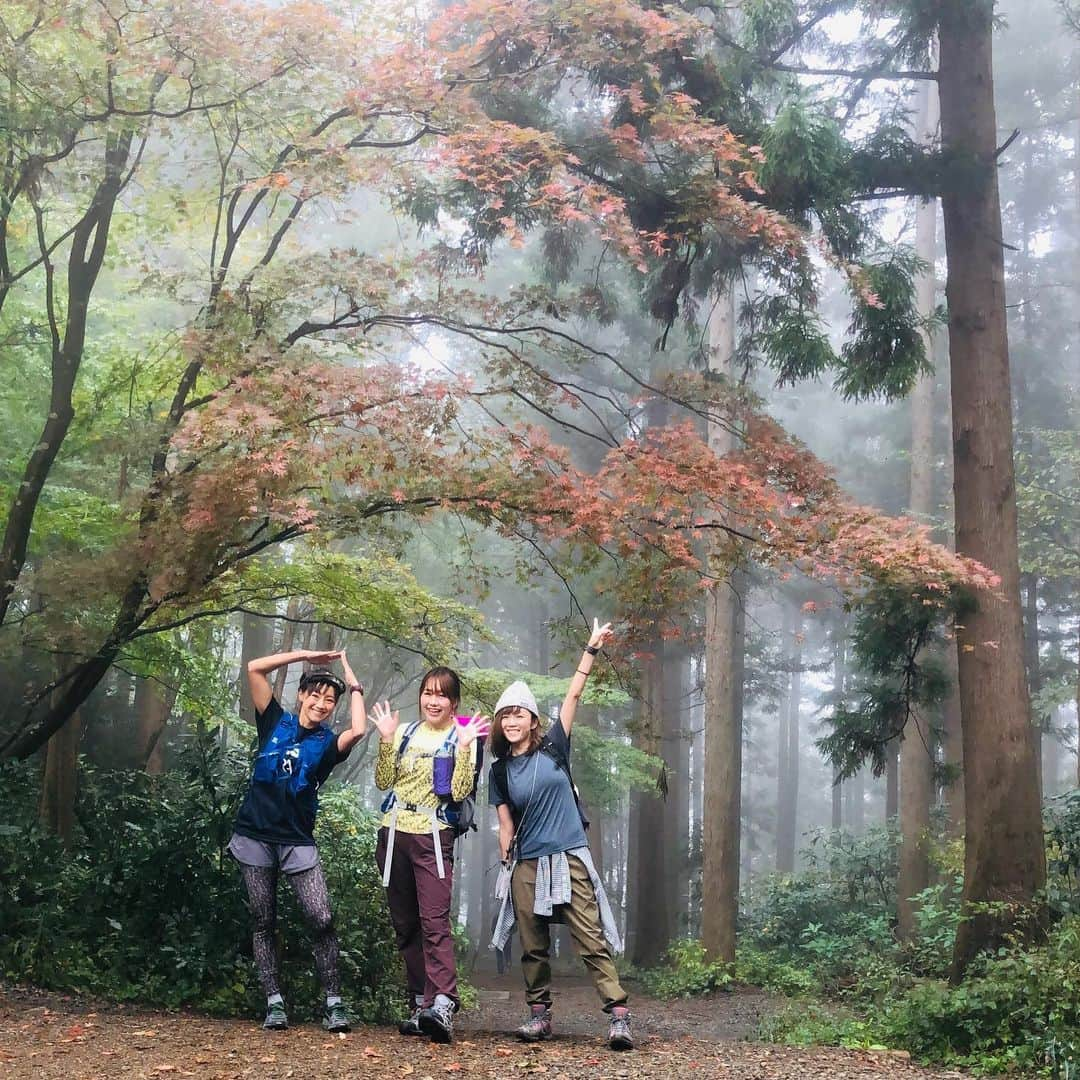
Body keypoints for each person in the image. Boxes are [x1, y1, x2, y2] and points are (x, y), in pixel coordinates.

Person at [489, 619, 633, 1051]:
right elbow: (505, 823)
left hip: (568, 855)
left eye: (519, 714)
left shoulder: (554, 746)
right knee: (532, 943)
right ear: (499, 724)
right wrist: (505, 860)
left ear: (533, 720)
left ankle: (619, 1016)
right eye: (505, 715)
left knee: (589, 938)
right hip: (527, 861)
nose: (512, 721)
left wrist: (590, 650)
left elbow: (573, 695)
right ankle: (539, 1016)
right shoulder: (498, 771)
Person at [228, 647, 367, 1033]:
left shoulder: (327, 744)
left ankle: (334, 1004)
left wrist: (352, 683)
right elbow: (254, 666)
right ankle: (274, 1003)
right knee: (263, 920)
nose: (322, 704)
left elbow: (359, 730)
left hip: (297, 841)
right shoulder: (274, 721)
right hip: (254, 835)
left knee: (321, 918)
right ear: (302, 695)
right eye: (316, 695)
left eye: (329, 699)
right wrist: (305, 655)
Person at [372, 668, 488, 1044]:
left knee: (434, 921)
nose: (432, 700)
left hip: (434, 835)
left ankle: (443, 1003)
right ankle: (420, 1006)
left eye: (441, 695)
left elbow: (458, 792)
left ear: (454, 703)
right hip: (393, 834)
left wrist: (466, 748)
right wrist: (387, 740)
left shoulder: (461, 735)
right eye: (427, 693)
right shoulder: (405, 732)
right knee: (405, 924)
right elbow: (383, 781)